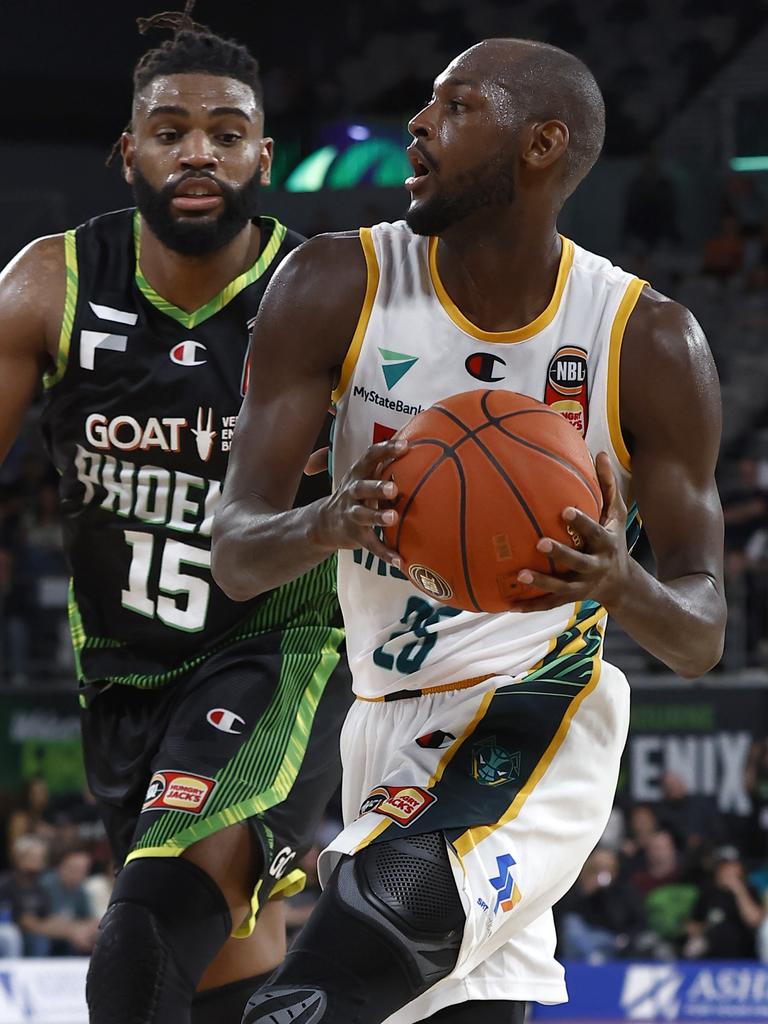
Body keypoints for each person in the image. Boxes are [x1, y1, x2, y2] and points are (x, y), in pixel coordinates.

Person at [212, 37, 726, 1024]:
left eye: (456, 106)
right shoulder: (335, 282)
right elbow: (236, 554)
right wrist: (325, 520)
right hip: (384, 715)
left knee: (346, 960)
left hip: (539, 708)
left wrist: (624, 583)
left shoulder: (645, 336)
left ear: (542, 145)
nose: (418, 123)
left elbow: (700, 633)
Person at [0, 6, 350, 1023]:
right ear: (127, 153)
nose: (200, 150)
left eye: (227, 131)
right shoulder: (50, 283)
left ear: (262, 154)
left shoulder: (324, 291)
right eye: (170, 130)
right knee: (222, 980)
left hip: (278, 650)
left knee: (145, 929)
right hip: (121, 675)